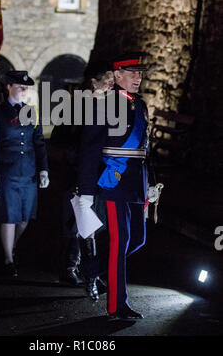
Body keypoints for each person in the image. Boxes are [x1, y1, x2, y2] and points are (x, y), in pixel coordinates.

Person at [77, 51, 159, 320]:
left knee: (138, 238)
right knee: (120, 240)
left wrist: (151, 184)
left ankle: (91, 269)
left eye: (140, 73)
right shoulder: (104, 104)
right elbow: (89, 149)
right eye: (132, 73)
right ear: (118, 76)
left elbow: (145, 148)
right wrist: (86, 191)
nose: (138, 78)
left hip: (136, 180)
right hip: (114, 180)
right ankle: (116, 305)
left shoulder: (140, 104)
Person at [51, 66, 113, 298]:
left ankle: (79, 268)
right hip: (78, 173)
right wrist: (77, 160)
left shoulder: (110, 108)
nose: (110, 85)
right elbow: (61, 137)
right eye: (106, 80)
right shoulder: (77, 106)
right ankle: (86, 274)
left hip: (99, 174)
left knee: (92, 223)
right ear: (94, 82)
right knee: (83, 224)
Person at [0, 70, 49, 277]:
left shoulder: (31, 112)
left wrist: (43, 169)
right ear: (8, 87)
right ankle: (8, 259)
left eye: (26, 87)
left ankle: (9, 247)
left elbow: (39, 143)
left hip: (28, 171)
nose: (24, 90)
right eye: (20, 86)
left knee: (24, 218)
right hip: (7, 172)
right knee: (9, 216)